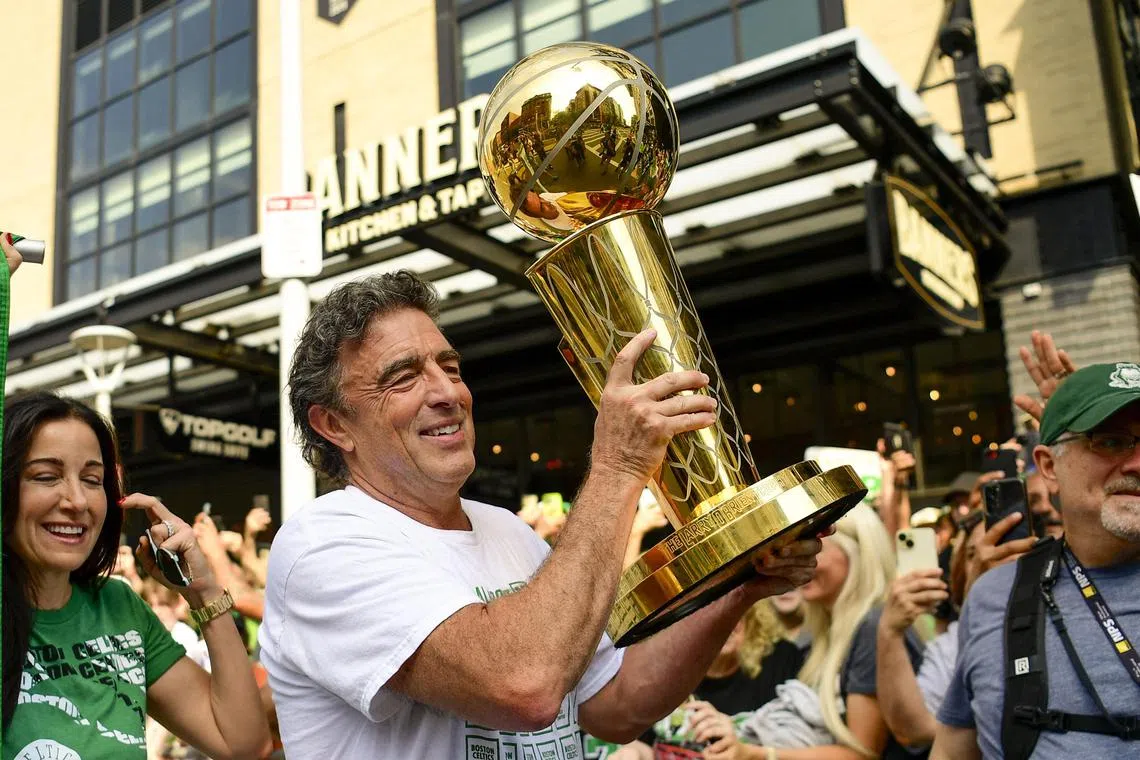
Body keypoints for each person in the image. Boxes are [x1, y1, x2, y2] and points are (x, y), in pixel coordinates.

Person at [258, 272, 827, 758]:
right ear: (334, 425)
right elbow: (524, 687)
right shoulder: (323, 544)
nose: (448, 393)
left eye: (450, 367)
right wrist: (619, 465)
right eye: (403, 377)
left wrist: (739, 584)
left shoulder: (506, 528)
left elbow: (614, 706)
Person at [1, 391, 270, 759]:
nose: (77, 501)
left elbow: (243, 744)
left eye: (92, 480)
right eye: (47, 476)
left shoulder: (119, 606)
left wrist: (204, 592)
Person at [933, 362, 1140, 758]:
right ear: (1048, 466)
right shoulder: (994, 595)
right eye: (1112, 442)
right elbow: (950, 750)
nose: (1138, 463)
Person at [697, 504, 911, 760]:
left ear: (857, 551)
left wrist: (756, 753)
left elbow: (862, 754)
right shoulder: (825, 633)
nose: (798, 562)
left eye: (814, 549)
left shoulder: (874, 625)